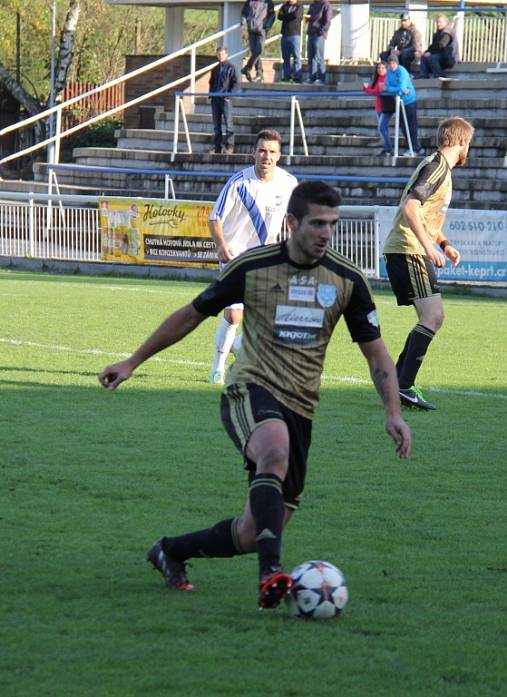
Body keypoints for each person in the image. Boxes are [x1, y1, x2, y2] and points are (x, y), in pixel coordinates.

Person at [98, 181, 412, 610]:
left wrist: (393, 412)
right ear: (293, 222)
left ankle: (170, 550)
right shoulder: (254, 266)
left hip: (302, 406)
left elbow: (377, 356)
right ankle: (271, 574)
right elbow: (192, 314)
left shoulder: (346, 280)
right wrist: (132, 362)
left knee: (252, 532)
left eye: (332, 225)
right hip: (249, 389)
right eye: (317, 224)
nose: (325, 233)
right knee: (274, 448)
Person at [383, 117, 474, 411]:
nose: (468, 150)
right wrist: (427, 245)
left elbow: (424, 214)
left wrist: (444, 244)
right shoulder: (437, 168)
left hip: (408, 248)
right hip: (409, 249)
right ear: (460, 142)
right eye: (468, 144)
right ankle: (403, 385)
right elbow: (411, 206)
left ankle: (398, 384)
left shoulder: (438, 167)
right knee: (433, 316)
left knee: (431, 316)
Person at [207, 129, 298, 384]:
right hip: (234, 254)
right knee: (235, 315)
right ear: (253, 153)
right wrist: (221, 245)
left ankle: (238, 348)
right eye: (261, 150)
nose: (266, 156)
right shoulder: (239, 183)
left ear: (279, 156)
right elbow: (215, 218)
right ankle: (217, 367)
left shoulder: (289, 183)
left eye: (271, 152)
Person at [384, 54, 422, 157]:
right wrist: (395, 90)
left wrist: (395, 89)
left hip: (409, 101)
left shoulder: (402, 71)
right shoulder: (388, 72)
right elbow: (387, 87)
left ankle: (415, 148)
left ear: (396, 63)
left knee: (411, 125)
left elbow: (402, 87)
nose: (391, 65)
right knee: (403, 126)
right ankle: (414, 146)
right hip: (398, 101)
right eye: (390, 63)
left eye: (393, 63)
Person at [208, 47, 239, 155]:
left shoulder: (231, 68)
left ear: (226, 55)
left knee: (228, 123)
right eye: (219, 54)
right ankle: (217, 147)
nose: (220, 56)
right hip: (215, 99)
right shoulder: (215, 69)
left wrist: (229, 95)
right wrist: (211, 94)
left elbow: (235, 83)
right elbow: (211, 82)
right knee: (217, 125)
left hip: (225, 99)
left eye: (222, 54)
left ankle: (230, 146)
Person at [363, 61, 394, 155]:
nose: (380, 70)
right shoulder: (378, 78)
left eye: (383, 68)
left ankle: (388, 148)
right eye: (379, 68)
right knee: (383, 128)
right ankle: (387, 148)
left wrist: (366, 89)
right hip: (379, 107)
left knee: (381, 127)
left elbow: (376, 91)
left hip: (386, 107)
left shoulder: (386, 78)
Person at [241, 0, 275, 82]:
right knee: (254, 52)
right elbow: (244, 14)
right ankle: (259, 74)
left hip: (261, 30)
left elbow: (272, 15)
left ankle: (247, 68)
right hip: (251, 30)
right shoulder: (249, 2)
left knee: (259, 50)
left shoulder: (268, 2)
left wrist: (266, 26)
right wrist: (244, 26)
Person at [419, 15, 460, 80]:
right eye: (437, 22)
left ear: (446, 22)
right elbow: (433, 46)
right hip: (441, 56)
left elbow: (442, 45)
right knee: (424, 57)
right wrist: (427, 52)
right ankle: (423, 76)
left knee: (431, 57)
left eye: (440, 22)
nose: (438, 24)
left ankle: (439, 75)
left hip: (449, 58)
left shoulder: (447, 32)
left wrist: (430, 53)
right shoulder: (439, 33)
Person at [306, 0, 333, 84]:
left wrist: (320, 31)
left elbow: (327, 21)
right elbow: (309, 16)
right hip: (311, 32)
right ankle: (312, 78)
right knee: (311, 56)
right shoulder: (313, 5)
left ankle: (321, 78)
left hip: (319, 34)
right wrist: (309, 19)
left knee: (318, 56)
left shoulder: (326, 5)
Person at [278, 0, 303, 83]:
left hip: (295, 34)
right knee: (286, 57)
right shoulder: (284, 6)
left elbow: (296, 15)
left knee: (296, 56)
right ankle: (286, 76)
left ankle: (297, 77)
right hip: (285, 35)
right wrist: (289, 16)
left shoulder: (299, 6)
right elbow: (280, 16)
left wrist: (286, 16)